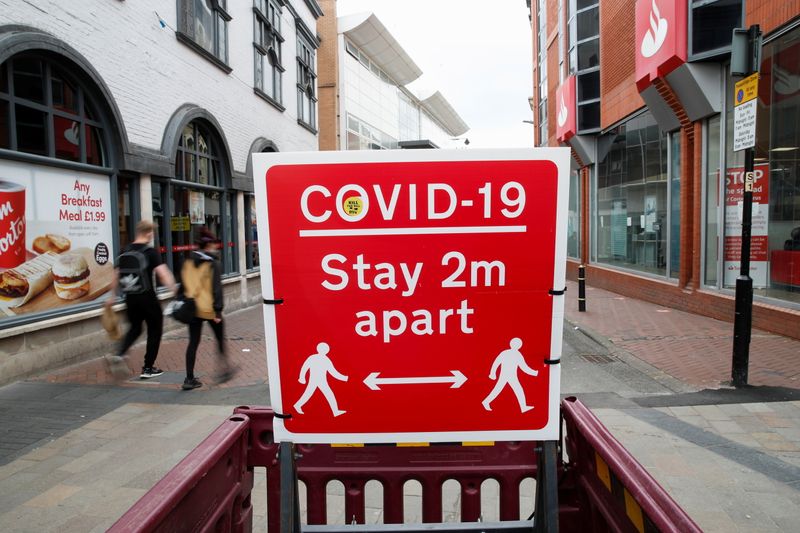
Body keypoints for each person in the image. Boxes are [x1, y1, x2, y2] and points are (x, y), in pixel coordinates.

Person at [106, 220, 177, 379]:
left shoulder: (124, 251)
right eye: (152, 233)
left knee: (135, 328)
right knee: (155, 330)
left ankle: (120, 353)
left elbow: (115, 277)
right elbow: (163, 274)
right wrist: (175, 291)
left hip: (130, 298)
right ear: (149, 233)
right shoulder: (150, 252)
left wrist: (111, 297)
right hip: (148, 298)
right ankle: (148, 368)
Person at [179, 227, 233, 390]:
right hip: (208, 309)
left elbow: (183, 286)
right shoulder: (213, 263)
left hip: (192, 308)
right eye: (214, 243)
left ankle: (189, 378)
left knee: (193, 342)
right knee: (219, 339)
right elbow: (216, 289)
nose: (216, 246)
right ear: (209, 245)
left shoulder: (188, 262)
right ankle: (224, 370)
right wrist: (217, 311)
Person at [481, 338, 538, 413]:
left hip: (511, 376)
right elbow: (524, 367)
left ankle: (523, 407)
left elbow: (496, 363)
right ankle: (486, 402)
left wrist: (492, 373)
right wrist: (534, 372)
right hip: (507, 376)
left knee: (515, 390)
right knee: (501, 390)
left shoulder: (508, 353)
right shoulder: (514, 354)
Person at [294, 342, 348, 417]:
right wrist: (302, 377)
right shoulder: (315, 358)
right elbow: (305, 367)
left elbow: (332, 371)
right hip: (316, 380)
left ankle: (335, 411)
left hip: (321, 380)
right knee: (326, 394)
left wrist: (344, 378)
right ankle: (335, 411)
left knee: (311, 394)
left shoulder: (324, 359)